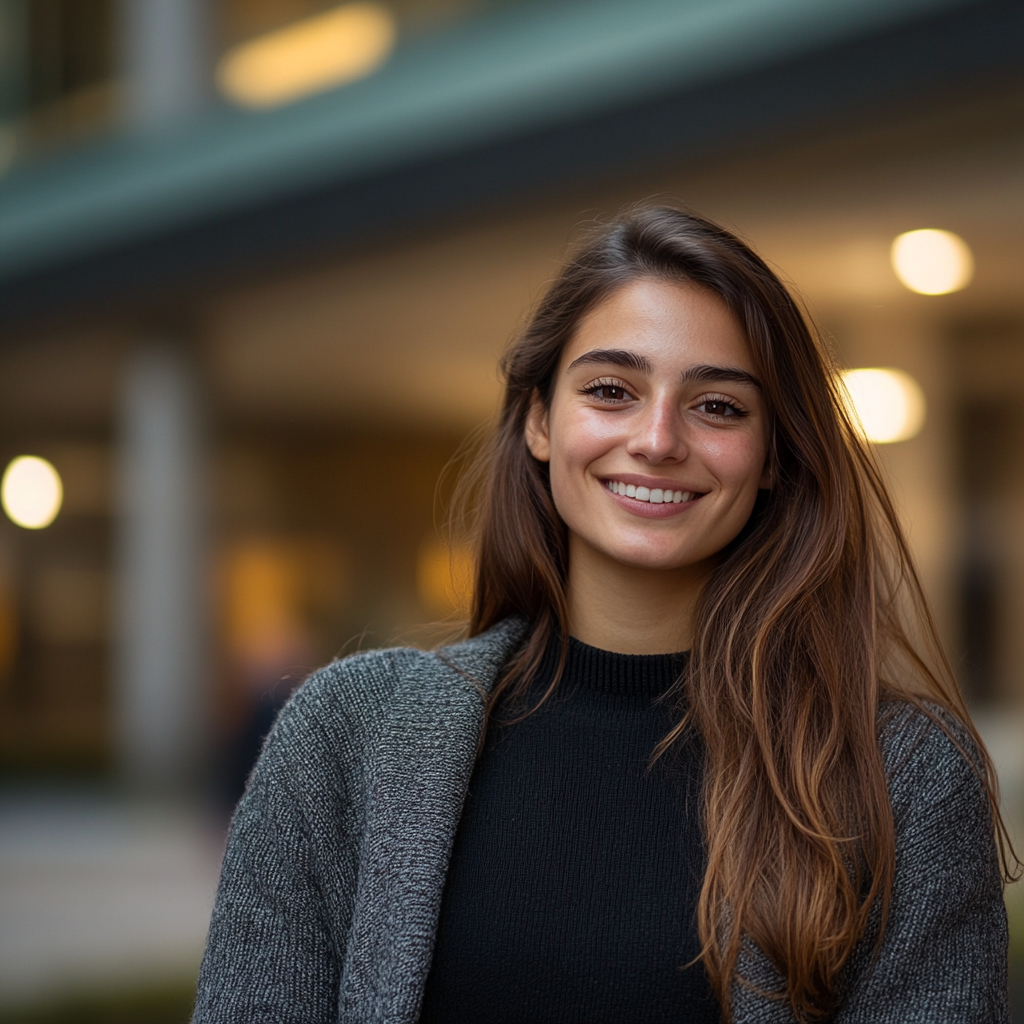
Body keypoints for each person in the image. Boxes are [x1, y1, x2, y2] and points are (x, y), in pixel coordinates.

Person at [193, 206, 1013, 1023]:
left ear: (773, 457)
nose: (658, 439)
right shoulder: (345, 738)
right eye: (612, 390)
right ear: (539, 420)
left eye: (719, 406)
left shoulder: (901, 782)